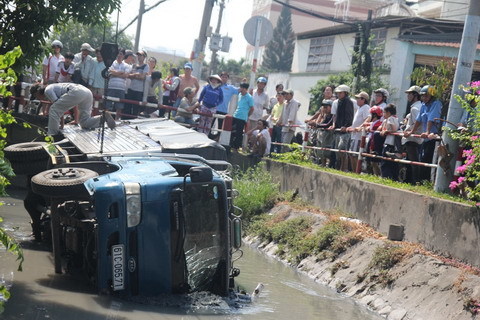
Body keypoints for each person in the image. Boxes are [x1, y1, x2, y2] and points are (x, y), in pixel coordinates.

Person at [31, 83, 115, 137]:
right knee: (84, 122)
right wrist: (65, 125)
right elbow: (63, 108)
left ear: (37, 92)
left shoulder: (48, 90)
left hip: (77, 92)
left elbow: (58, 109)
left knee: (53, 109)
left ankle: (52, 134)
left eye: (36, 96)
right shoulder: (53, 88)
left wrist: (61, 126)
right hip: (87, 92)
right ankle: (103, 117)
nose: (37, 99)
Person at [403, 85, 442, 181]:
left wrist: (427, 132)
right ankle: (421, 181)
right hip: (425, 138)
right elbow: (419, 119)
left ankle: (427, 181)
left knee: (428, 159)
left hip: (434, 138)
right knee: (422, 160)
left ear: (431, 96)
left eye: (426, 96)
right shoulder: (423, 105)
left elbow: (431, 118)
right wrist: (411, 131)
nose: (424, 98)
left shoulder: (436, 104)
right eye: (423, 96)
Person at [329, 84, 354, 171]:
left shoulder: (348, 102)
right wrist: (334, 124)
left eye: (340, 92)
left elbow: (349, 116)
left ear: (345, 93)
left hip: (345, 130)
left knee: (342, 149)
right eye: (338, 93)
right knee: (337, 151)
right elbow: (335, 116)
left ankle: (344, 168)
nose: (338, 94)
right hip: (338, 129)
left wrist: (346, 125)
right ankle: (339, 167)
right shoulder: (338, 102)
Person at [401, 85, 423, 183]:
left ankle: (415, 181)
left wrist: (409, 132)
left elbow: (416, 122)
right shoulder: (419, 106)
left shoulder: (415, 108)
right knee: (411, 160)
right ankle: (410, 180)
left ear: (415, 95)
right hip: (415, 138)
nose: (408, 96)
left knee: (414, 161)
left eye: (410, 94)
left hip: (412, 138)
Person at [347, 91, 371, 171]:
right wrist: (351, 127)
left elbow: (368, 118)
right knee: (352, 154)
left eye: (358, 98)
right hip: (354, 135)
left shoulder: (366, 107)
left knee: (355, 155)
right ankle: (354, 171)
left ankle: (356, 172)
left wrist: (360, 127)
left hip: (359, 136)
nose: (356, 100)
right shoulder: (360, 108)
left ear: (363, 99)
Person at [105, 49, 131, 120]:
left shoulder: (127, 65)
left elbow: (125, 75)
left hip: (121, 88)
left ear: (123, 55)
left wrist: (115, 73)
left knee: (119, 106)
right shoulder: (112, 63)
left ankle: (116, 120)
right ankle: (107, 119)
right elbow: (110, 72)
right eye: (118, 54)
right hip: (111, 86)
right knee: (107, 105)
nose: (119, 55)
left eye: (121, 54)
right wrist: (121, 72)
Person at [377, 104, 400, 180]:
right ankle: (394, 178)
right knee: (393, 163)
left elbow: (393, 128)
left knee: (385, 161)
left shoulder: (390, 119)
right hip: (393, 144)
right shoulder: (395, 118)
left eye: (384, 112)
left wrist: (387, 131)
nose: (383, 114)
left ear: (389, 113)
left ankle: (386, 177)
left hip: (389, 143)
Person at [125, 50, 149, 116]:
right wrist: (137, 74)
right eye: (138, 55)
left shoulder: (146, 66)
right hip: (131, 89)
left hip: (139, 91)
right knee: (127, 108)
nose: (139, 57)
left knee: (136, 109)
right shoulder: (134, 65)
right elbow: (128, 75)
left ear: (144, 57)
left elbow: (143, 77)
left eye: (140, 55)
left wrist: (134, 75)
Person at [230, 82, 254, 151]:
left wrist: (247, 115)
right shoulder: (239, 95)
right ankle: (231, 145)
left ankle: (236, 147)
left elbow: (252, 108)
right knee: (232, 130)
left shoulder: (249, 97)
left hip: (242, 117)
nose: (240, 89)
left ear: (245, 89)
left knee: (239, 133)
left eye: (242, 88)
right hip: (236, 115)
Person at [315, 99, 334, 166]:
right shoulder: (326, 115)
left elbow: (328, 124)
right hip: (324, 134)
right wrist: (317, 124)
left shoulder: (333, 115)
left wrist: (317, 125)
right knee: (321, 149)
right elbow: (323, 123)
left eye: (326, 107)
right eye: (324, 107)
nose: (325, 109)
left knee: (328, 150)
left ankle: (328, 164)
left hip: (330, 135)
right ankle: (323, 163)